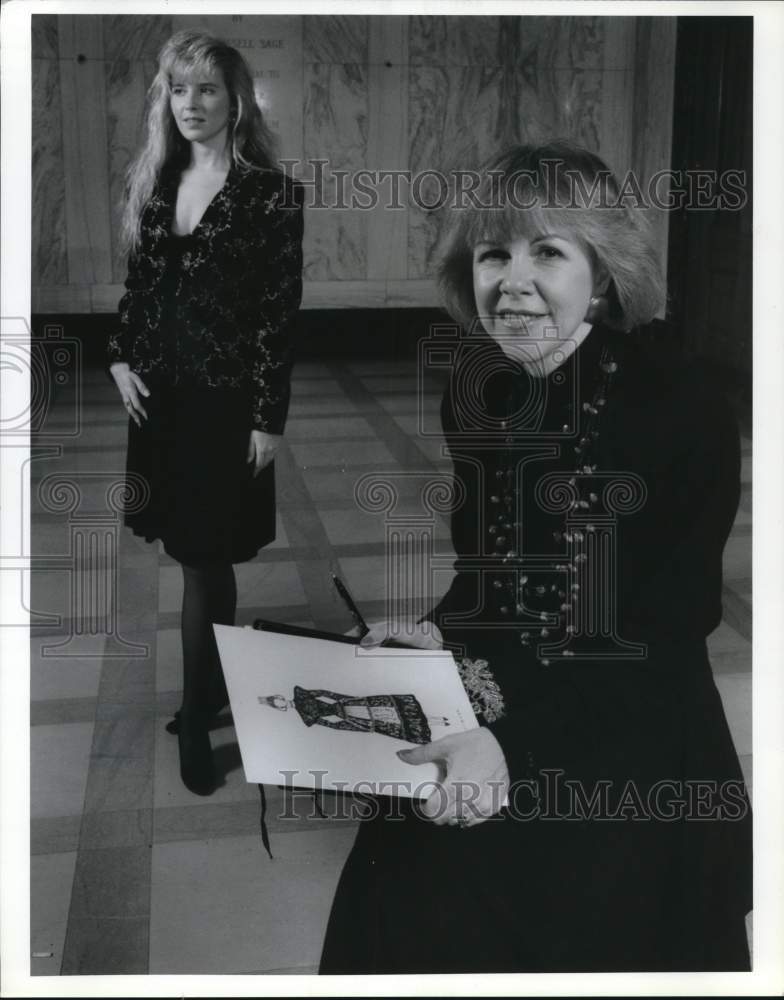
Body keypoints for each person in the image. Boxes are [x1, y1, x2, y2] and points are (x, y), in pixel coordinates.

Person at [319, 141, 751, 973]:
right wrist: (433, 636)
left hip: (637, 730)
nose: (512, 281)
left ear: (606, 268)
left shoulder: (684, 406)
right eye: (492, 254)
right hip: (508, 686)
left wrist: (514, 746)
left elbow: (667, 630)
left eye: (547, 251)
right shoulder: (479, 389)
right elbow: (489, 569)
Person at [107, 30, 303, 796]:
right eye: (179, 89)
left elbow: (277, 313)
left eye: (207, 89)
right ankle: (209, 690)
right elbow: (141, 290)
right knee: (196, 554)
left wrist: (268, 417)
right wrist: (120, 356)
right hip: (161, 398)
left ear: (236, 99)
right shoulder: (156, 181)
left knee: (203, 555)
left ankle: (196, 717)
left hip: (227, 406)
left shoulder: (271, 193)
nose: (191, 104)